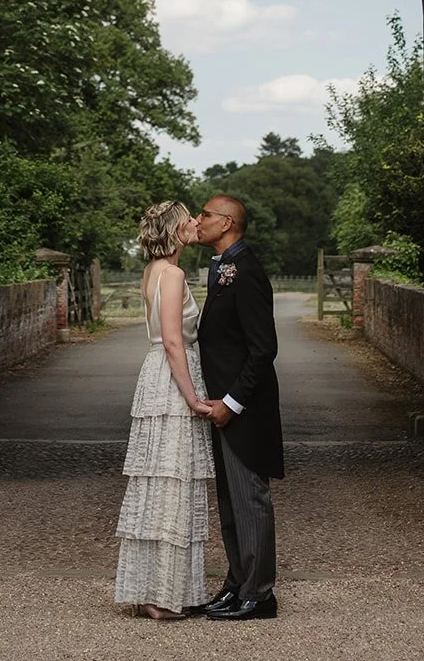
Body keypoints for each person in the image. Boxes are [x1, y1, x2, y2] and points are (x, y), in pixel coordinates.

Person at [114, 200, 215, 621]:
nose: (195, 223)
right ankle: (162, 594)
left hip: (156, 373)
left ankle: (157, 589)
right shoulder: (171, 274)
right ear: (175, 231)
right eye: (189, 219)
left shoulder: (152, 271)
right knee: (173, 481)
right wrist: (192, 397)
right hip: (173, 377)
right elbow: (174, 341)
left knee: (162, 481)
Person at [195, 194, 284, 621]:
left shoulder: (246, 270)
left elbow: (263, 348)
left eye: (206, 214)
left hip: (243, 406)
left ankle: (260, 593)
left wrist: (232, 403)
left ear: (227, 222)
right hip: (221, 403)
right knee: (231, 499)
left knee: (250, 496)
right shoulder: (223, 267)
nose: (199, 220)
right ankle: (237, 583)